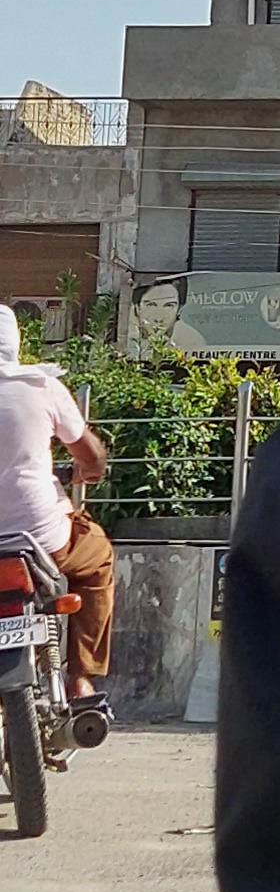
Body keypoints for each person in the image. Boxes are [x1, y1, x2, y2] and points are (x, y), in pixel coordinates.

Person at [0, 301, 114, 730]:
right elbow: (91, 457)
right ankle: (81, 678)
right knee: (97, 558)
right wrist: (89, 469)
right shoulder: (41, 387)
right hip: (42, 542)